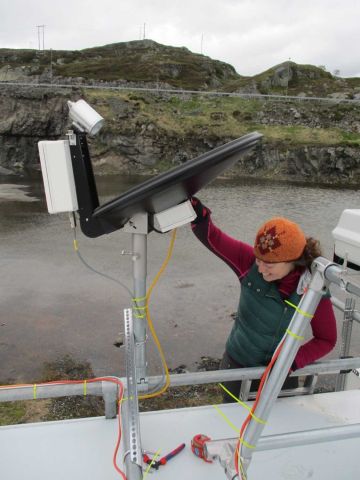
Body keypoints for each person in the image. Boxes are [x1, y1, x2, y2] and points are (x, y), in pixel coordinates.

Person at [190, 197, 337, 402]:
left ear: (293, 261)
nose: (260, 268)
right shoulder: (248, 262)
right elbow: (212, 237)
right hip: (236, 368)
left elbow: (327, 339)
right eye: (259, 260)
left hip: (280, 378)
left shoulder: (312, 287)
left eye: (268, 264)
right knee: (232, 426)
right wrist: (197, 214)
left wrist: (291, 362)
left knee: (276, 430)